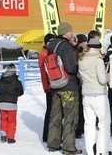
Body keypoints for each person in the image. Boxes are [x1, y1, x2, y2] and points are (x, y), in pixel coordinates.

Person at [46, 22, 82, 154]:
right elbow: (70, 67)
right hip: (68, 85)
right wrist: (79, 67)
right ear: (66, 32)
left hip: (55, 84)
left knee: (55, 115)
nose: (72, 33)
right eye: (71, 31)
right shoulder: (65, 46)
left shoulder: (52, 45)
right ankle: (68, 147)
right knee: (70, 116)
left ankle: (53, 144)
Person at [78, 38, 111, 155]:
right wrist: (109, 75)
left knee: (89, 125)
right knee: (103, 124)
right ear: (98, 47)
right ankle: (102, 151)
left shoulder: (81, 59)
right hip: (99, 95)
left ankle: (91, 152)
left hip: (86, 95)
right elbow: (102, 80)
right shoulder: (98, 60)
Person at [0, 63, 23, 144]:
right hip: (12, 103)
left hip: (1, 103)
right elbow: (21, 92)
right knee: (11, 120)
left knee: (3, 119)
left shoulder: (0, 80)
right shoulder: (17, 81)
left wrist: (0, 97)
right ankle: (10, 137)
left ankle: (3, 135)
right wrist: (14, 95)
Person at [38, 33, 54, 143]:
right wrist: (47, 87)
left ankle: (48, 135)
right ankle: (47, 135)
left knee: (52, 111)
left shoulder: (46, 52)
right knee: (51, 111)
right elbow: (44, 74)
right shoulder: (45, 54)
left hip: (50, 85)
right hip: (50, 86)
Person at [73, 34, 88, 139]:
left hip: (82, 83)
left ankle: (81, 128)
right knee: (78, 107)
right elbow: (75, 66)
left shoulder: (83, 51)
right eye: (85, 41)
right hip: (77, 83)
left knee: (82, 106)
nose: (86, 43)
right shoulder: (76, 52)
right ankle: (78, 129)